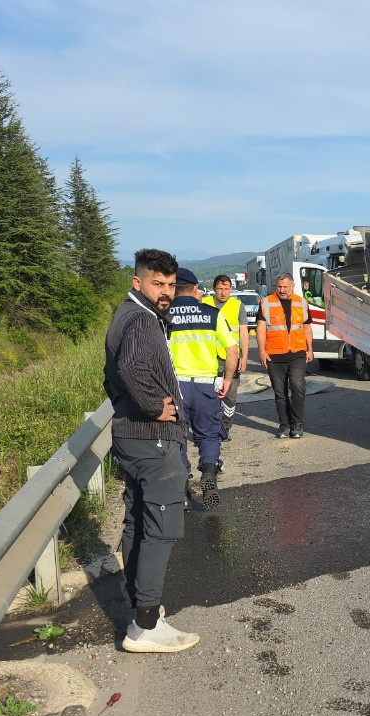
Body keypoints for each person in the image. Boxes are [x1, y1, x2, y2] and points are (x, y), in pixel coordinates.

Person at [103, 248, 200, 653]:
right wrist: (153, 406)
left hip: (132, 436)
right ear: (137, 281)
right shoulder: (143, 319)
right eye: (157, 283)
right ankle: (145, 625)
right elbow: (130, 367)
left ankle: (141, 608)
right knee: (161, 526)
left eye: (170, 285)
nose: (165, 292)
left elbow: (111, 372)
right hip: (151, 438)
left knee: (138, 522)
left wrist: (129, 404)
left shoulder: (127, 314)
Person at [170, 267, 237, 508]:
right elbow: (232, 349)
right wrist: (227, 379)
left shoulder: (164, 314)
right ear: (195, 288)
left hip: (175, 386)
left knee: (177, 436)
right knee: (208, 434)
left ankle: (182, 485)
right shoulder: (212, 314)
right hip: (205, 386)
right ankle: (208, 472)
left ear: (172, 288)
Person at [257, 274, 314, 438]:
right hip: (274, 355)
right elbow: (261, 329)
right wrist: (262, 351)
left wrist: (310, 349)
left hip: (297, 353)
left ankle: (297, 424)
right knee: (280, 392)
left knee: (298, 386)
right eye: (279, 286)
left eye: (285, 287)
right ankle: (284, 425)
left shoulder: (302, 302)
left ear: (292, 287)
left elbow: (307, 328)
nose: (281, 290)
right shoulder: (266, 303)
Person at [201, 275, 249, 440]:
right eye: (220, 289)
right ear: (214, 289)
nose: (223, 292)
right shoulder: (204, 303)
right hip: (208, 356)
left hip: (231, 357)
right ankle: (210, 427)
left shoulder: (237, 306)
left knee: (229, 394)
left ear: (231, 289)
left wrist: (244, 357)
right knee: (209, 394)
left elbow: (243, 333)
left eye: (226, 289)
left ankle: (225, 427)